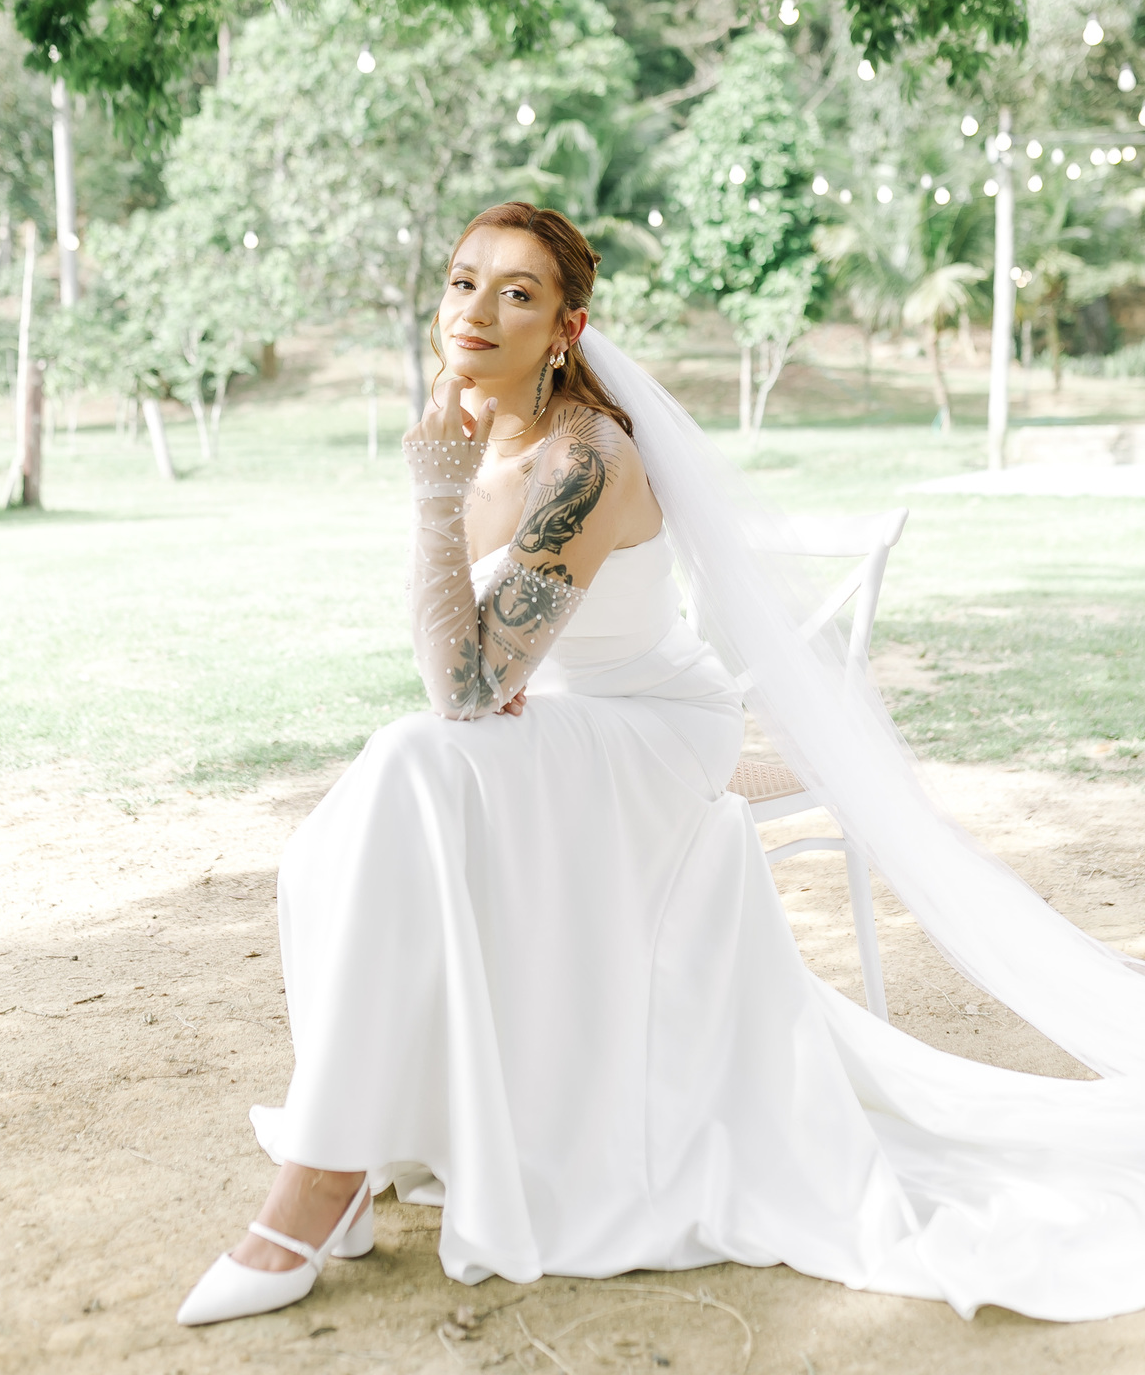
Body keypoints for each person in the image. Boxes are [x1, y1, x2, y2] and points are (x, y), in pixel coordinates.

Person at [179, 203, 1145, 1329]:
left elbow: (460, 686)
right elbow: (469, 678)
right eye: (462, 281)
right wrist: (478, 618)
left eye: (517, 292)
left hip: (653, 729)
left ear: (566, 328)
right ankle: (351, 1143)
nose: (477, 309)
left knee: (413, 754)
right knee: (339, 836)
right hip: (544, 722)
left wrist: (435, 498)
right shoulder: (471, 436)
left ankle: (318, 1184)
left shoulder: (587, 457)